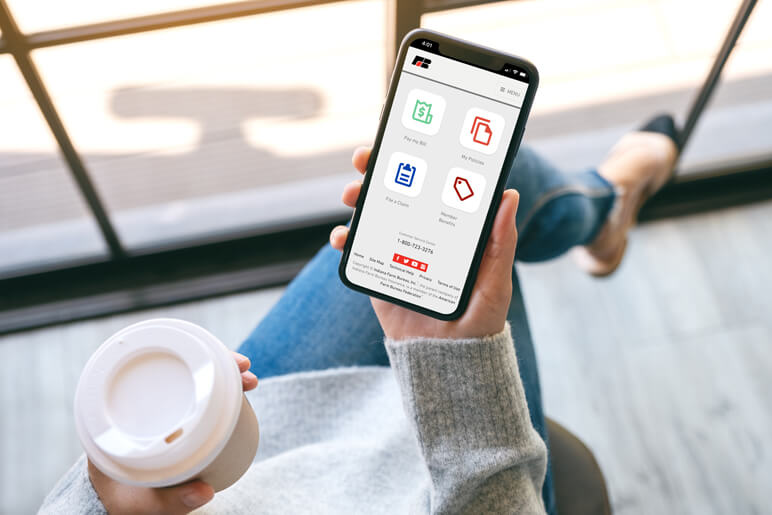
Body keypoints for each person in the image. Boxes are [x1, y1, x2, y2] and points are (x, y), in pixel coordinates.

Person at [40, 116, 678, 515]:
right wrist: (459, 374)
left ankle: (600, 204)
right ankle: (602, 204)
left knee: (454, 185)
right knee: (480, 185)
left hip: (269, 462)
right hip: (455, 492)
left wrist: (101, 502)